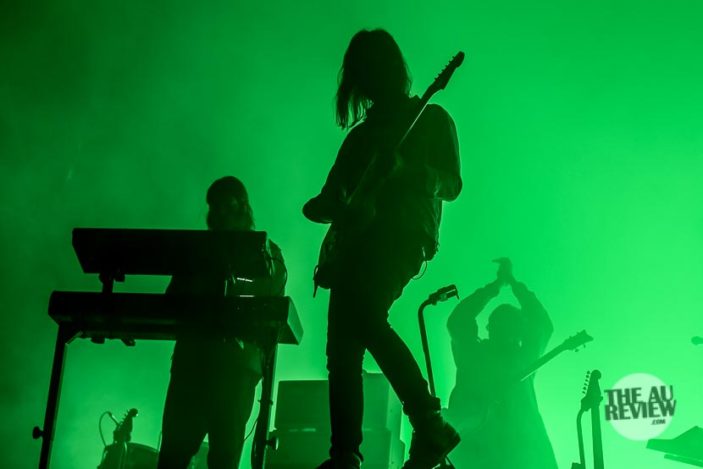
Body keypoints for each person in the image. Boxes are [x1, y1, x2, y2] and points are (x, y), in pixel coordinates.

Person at [303, 29, 462, 469]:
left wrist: (409, 171)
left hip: (403, 234)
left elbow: (452, 183)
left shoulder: (430, 118)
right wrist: (326, 206)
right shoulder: (360, 138)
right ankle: (346, 453)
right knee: (342, 349)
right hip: (355, 244)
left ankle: (427, 419)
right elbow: (333, 195)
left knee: (365, 316)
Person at [157, 176, 286, 469]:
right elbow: (173, 298)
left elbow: (270, 307)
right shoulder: (199, 251)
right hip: (204, 362)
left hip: (227, 366)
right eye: (216, 207)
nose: (220, 213)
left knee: (217, 458)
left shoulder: (268, 254)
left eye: (227, 205)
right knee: (177, 456)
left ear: (243, 207)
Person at [445, 258, 558, 469]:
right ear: (491, 327)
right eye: (499, 323)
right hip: (477, 451)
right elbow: (458, 321)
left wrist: (513, 283)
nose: (505, 329)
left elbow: (542, 324)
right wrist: (495, 286)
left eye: (510, 325)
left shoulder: (523, 358)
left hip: (521, 452)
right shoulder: (475, 354)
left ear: (519, 331)